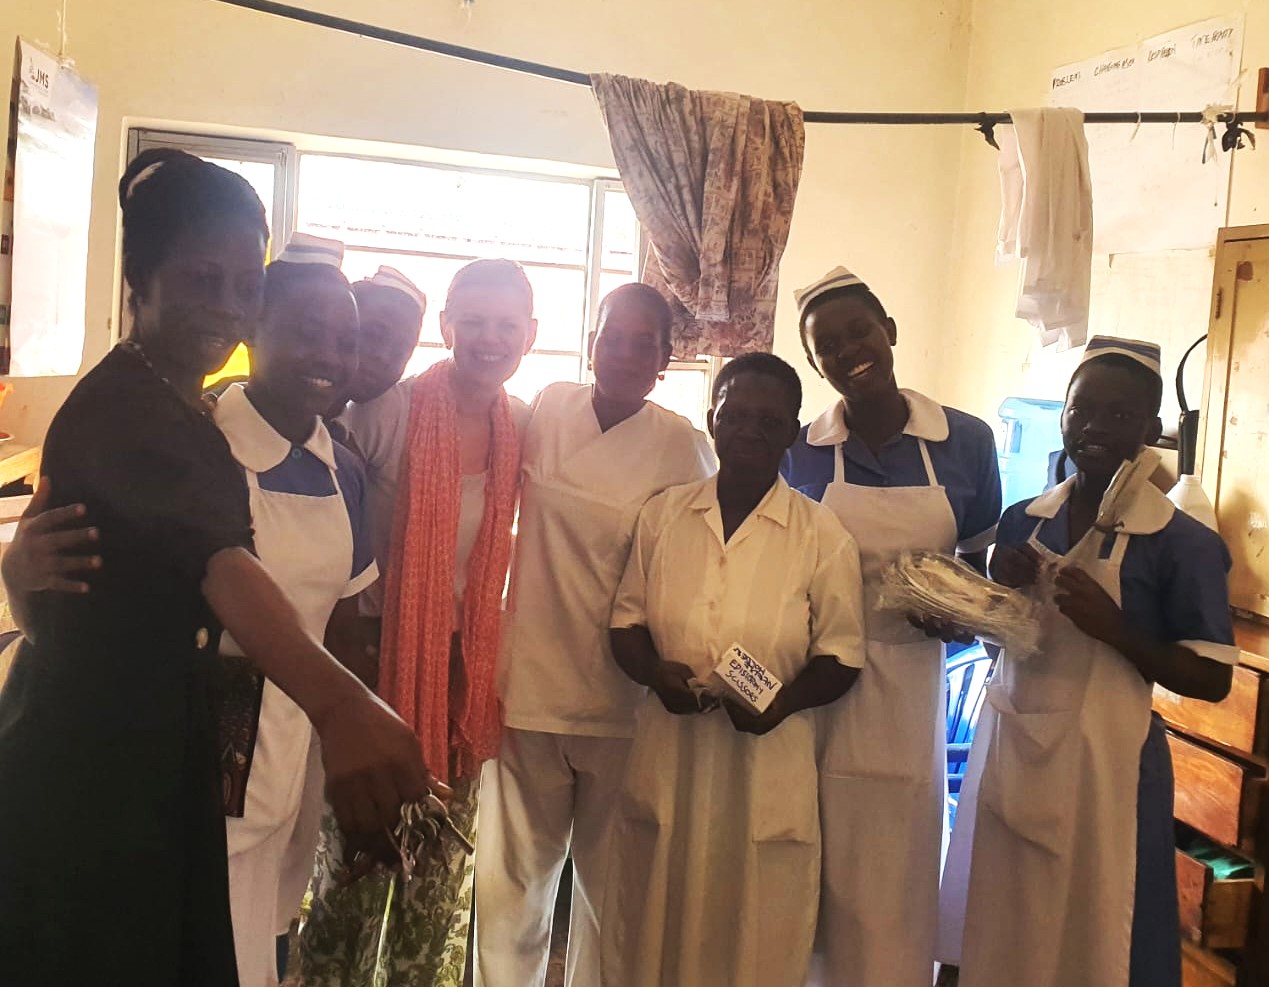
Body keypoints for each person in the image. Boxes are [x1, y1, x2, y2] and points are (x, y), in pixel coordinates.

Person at [0, 149, 429, 987]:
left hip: (158, 749)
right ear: (139, 276)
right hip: (92, 763)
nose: (228, 306)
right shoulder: (128, 412)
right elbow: (222, 564)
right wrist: (343, 704)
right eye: (203, 279)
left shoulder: (179, 402)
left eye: (245, 284)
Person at [957, 337, 1235, 987]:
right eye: (1081, 410)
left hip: (1110, 764)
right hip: (1018, 747)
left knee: (1105, 925)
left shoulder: (1181, 543)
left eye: (1119, 414)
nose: (1094, 428)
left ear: (1150, 427)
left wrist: (1117, 631)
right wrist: (998, 590)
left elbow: (1213, 678)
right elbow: (1001, 641)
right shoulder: (1024, 521)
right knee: (1011, 914)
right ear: (1061, 414)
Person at [299, 258, 536, 987]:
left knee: (437, 877)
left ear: (529, 335)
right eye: (474, 321)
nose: (489, 339)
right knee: (356, 866)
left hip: (464, 676)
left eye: (506, 325)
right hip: (376, 663)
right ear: (446, 327)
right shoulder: (389, 413)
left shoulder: (520, 425)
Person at [473, 283, 716, 987]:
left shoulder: (683, 447)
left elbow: (701, 558)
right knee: (510, 887)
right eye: (613, 337)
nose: (626, 354)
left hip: (623, 701)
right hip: (528, 688)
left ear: (666, 360)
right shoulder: (549, 407)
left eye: (645, 343)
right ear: (590, 344)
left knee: (612, 895)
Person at [602, 352, 867, 987]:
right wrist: (654, 674)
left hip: (766, 764)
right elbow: (625, 623)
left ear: (791, 432)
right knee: (655, 921)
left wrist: (784, 704)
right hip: (671, 757)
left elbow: (843, 654)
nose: (750, 430)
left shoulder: (821, 534)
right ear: (712, 418)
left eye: (769, 421)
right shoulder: (664, 516)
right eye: (736, 414)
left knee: (754, 928)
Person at [780, 267, 1001, 987]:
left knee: (896, 864)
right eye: (828, 346)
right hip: (817, 684)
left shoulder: (965, 441)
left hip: (911, 688)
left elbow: (978, 578)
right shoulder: (800, 449)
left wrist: (954, 616)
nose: (849, 351)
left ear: (890, 331)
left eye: (860, 331)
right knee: (811, 857)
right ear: (814, 363)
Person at [215, 233, 380, 987]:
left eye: (345, 341)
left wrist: (356, 748)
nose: (329, 356)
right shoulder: (203, 444)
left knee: (272, 928)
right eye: (308, 332)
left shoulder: (344, 468)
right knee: (213, 936)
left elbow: (343, 627)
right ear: (252, 324)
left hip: (301, 748)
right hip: (212, 746)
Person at [322, 265, 426, 456]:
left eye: (402, 348)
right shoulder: (278, 421)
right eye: (374, 335)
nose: (384, 357)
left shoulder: (348, 451)